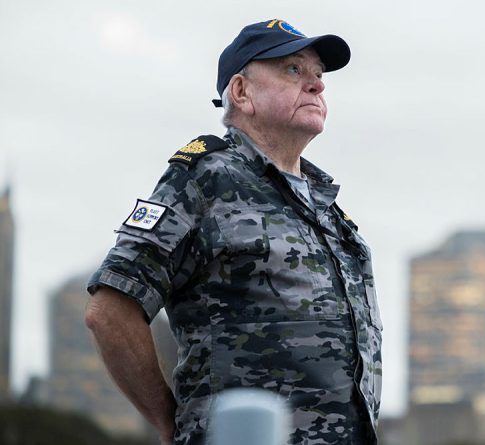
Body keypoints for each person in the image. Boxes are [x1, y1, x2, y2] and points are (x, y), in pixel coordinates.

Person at [84, 19, 382, 445]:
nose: (316, 86)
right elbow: (110, 310)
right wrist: (172, 422)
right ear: (241, 92)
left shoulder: (325, 204)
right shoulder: (207, 179)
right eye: (293, 70)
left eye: (318, 75)